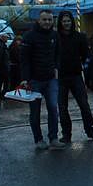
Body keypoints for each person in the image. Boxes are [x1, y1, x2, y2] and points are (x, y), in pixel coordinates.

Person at [20, 10, 65, 150]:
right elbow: (24, 59)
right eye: (44, 19)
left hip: (51, 79)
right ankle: (38, 139)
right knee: (35, 111)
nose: (47, 22)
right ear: (38, 20)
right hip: (34, 80)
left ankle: (54, 138)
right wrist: (25, 78)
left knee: (53, 108)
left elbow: (58, 54)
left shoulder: (55, 35)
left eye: (50, 20)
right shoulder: (29, 36)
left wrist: (56, 68)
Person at [56, 12, 93, 142]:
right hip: (61, 77)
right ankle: (66, 134)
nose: (66, 23)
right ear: (60, 22)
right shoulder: (56, 37)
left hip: (76, 75)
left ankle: (89, 129)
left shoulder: (79, 37)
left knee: (84, 104)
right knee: (62, 107)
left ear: (72, 22)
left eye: (68, 21)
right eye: (64, 21)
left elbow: (86, 56)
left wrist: (89, 74)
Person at [0, 34, 11, 102]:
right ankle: (2, 94)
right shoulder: (1, 45)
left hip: (2, 67)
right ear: (3, 38)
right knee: (5, 82)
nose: (7, 39)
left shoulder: (0, 44)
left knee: (0, 81)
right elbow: (1, 57)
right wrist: (3, 65)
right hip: (4, 67)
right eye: (6, 38)